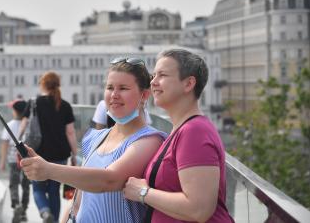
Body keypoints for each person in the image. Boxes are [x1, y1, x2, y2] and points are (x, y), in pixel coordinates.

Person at [20, 57, 166, 223]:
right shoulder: (95, 137)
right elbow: (79, 200)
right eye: (110, 87)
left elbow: (108, 180)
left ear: (144, 95)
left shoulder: (150, 140)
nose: (114, 95)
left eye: (123, 88)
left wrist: (48, 170)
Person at [123, 49, 234, 222]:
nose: (153, 82)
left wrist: (142, 193)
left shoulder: (195, 131)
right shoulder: (182, 129)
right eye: (153, 76)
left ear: (188, 84)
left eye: (162, 75)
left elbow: (199, 209)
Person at [20, 71, 78, 223]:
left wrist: (19, 144)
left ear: (43, 85)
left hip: (37, 153)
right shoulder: (65, 105)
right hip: (60, 154)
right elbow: (70, 132)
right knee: (54, 191)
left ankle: (45, 213)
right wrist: (74, 153)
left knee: (38, 188)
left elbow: (24, 126)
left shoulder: (34, 103)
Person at [0, 99, 30, 222]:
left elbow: (5, 144)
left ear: (15, 111)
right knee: (26, 185)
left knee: (13, 184)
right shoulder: (28, 124)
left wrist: (2, 161)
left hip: (13, 160)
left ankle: (16, 205)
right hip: (26, 159)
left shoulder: (10, 124)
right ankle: (23, 210)